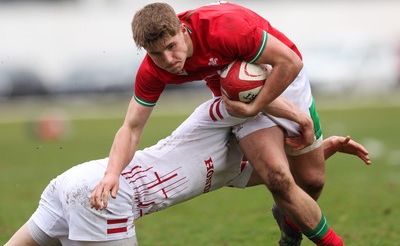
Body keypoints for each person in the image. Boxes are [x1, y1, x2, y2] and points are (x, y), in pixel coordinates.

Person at [90, 1, 341, 245]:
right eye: (156, 53)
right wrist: (112, 174)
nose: (167, 59)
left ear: (181, 28)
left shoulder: (223, 29)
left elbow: (290, 63)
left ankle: (289, 220)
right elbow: (131, 128)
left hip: (282, 76)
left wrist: (285, 113)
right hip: (235, 93)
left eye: (171, 47)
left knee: (311, 181)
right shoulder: (153, 71)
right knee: (278, 178)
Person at [5, 97, 371, 246]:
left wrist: (324, 149)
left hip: (81, 182)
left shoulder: (239, 168)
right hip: (107, 194)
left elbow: (278, 176)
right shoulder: (214, 118)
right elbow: (238, 95)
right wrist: (300, 117)